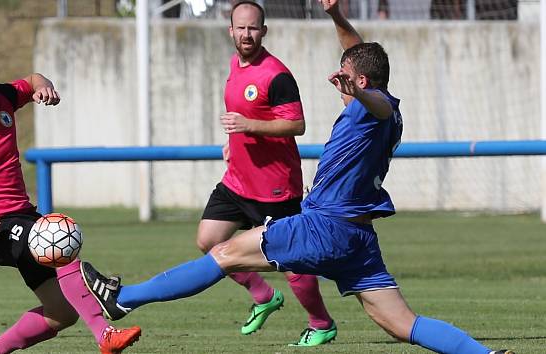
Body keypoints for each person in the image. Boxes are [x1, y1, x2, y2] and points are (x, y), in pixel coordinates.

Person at [80, 1, 514, 353]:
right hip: (358, 239)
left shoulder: (372, 105)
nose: (342, 81)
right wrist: (336, 16)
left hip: (325, 226)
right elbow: (361, 58)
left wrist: (359, 91)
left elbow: (373, 97)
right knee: (402, 324)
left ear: (361, 81)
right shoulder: (381, 100)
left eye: (348, 77)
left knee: (226, 252)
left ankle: (122, 298)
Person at [0, 50, 140, 354]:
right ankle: (105, 334)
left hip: (23, 216)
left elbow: (33, 79)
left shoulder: (4, 100)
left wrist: (43, 87)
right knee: (55, 236)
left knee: (61, 314)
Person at [190, 0, 336, 346]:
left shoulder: (277, 74)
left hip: (275, 187)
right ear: (230, 31)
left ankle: (321, 323)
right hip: (237, 180)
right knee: (208, 241)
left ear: (264, 31)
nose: (246, 34)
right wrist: (233, 144)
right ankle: (263, 296)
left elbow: (296, 125)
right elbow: (240, 117)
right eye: (240, 28)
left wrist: (249, 127)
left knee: (292, 262)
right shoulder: (233, 64)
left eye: (253, 28)